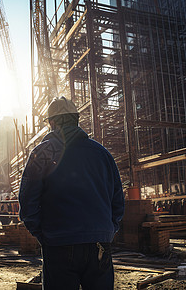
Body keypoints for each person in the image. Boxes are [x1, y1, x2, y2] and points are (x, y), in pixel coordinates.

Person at [19, 96, 125, 290]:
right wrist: (107, 230)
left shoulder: (42, 153)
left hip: (58, 243)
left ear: (51, 123)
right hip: (99, 243)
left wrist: (43, 234)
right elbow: (118, 201)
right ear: (76, 120)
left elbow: (28, 203)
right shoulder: (102, 154)